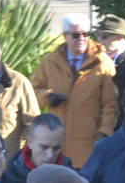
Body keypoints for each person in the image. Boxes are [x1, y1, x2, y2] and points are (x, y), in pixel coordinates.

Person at [31, 13, 119, 167]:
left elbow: (111, 103)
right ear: (65, 36)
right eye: (76, 35)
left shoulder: (103, 62)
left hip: (88, 144)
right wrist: (47, 96)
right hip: (56, 147)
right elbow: (32, 92)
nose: (82, 39)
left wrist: (104, 132)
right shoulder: (50, 61)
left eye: (86, 34)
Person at [6, 113, 74, 183]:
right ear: (29, 142)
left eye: (56, 148)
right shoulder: (9, 179)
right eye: (44, 147)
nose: (50, 155)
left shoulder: (72, 178)